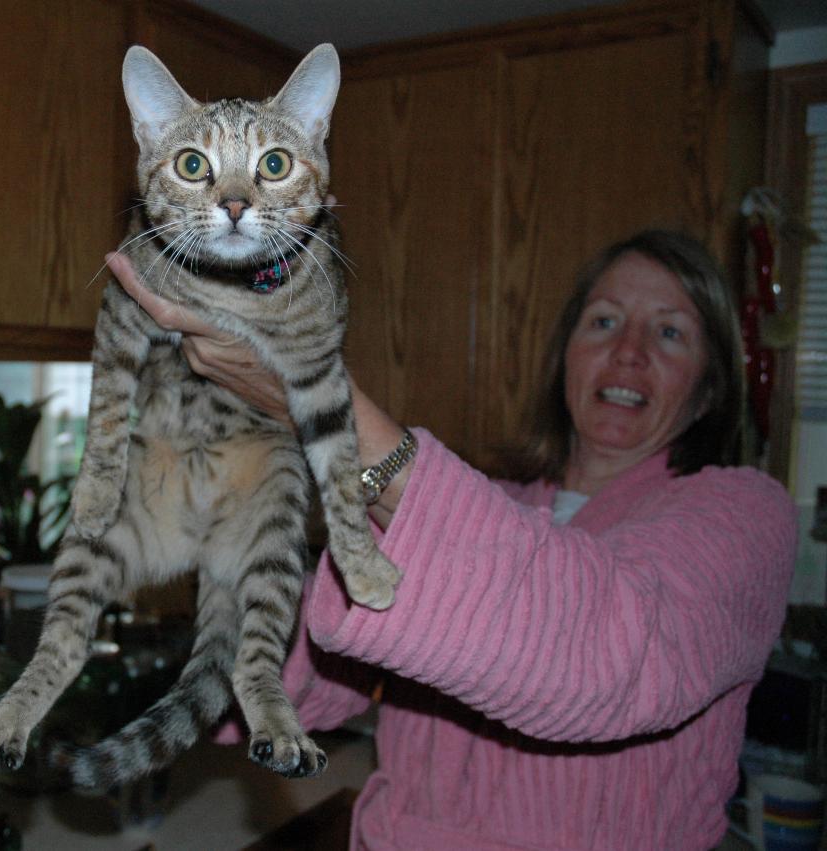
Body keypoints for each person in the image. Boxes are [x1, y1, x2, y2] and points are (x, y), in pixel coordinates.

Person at [103, 228, 797, 850]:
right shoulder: (486, 504)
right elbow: (308, 679)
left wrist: (317, 402)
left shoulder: (746, 515)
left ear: (709, 387)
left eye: (670, 332)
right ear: (566, 359)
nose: (628, 352)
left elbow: (602, 647)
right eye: (605, 321)